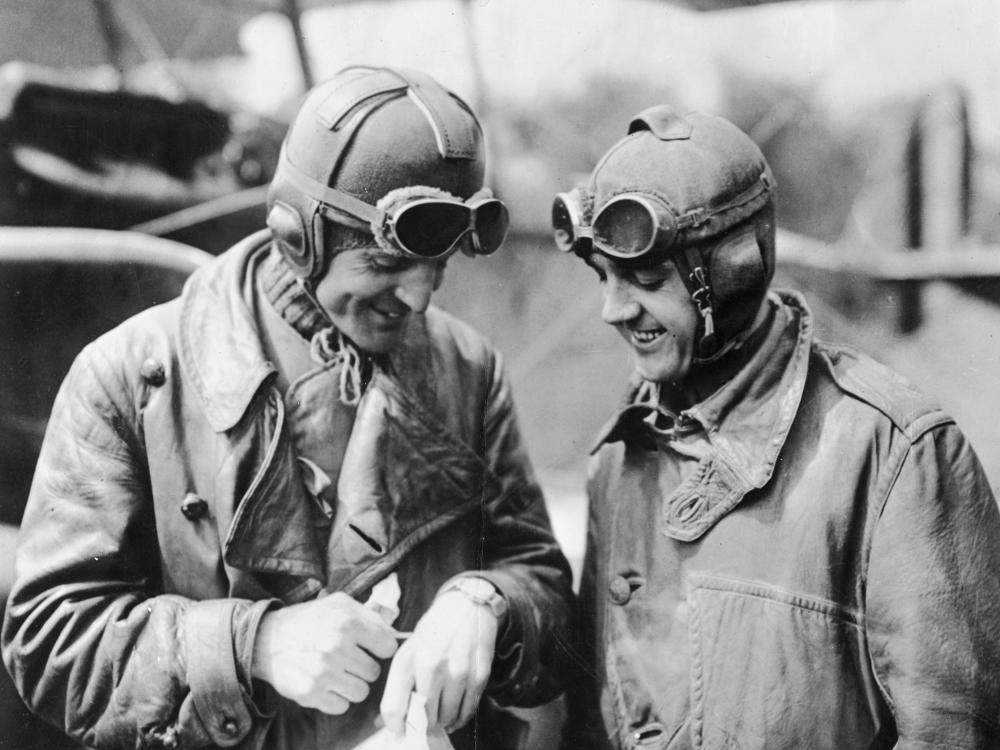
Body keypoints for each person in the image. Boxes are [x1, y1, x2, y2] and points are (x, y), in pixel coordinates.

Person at [1, 65, 573, 750]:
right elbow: (48, 639)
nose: (420, 299)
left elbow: (544, 586)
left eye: (439, 269)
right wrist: (252, 645)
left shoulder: (468, 371)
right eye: (388, 266)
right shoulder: (130, 375)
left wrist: (489, 606)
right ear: (300, 233)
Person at [553, 105, 1000, 749]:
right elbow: (593, 721)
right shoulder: (622, 456)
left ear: (732, 273)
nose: (613, 310)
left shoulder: (891, 453)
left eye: (646, 280)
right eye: (605, 278)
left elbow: (958, 733)